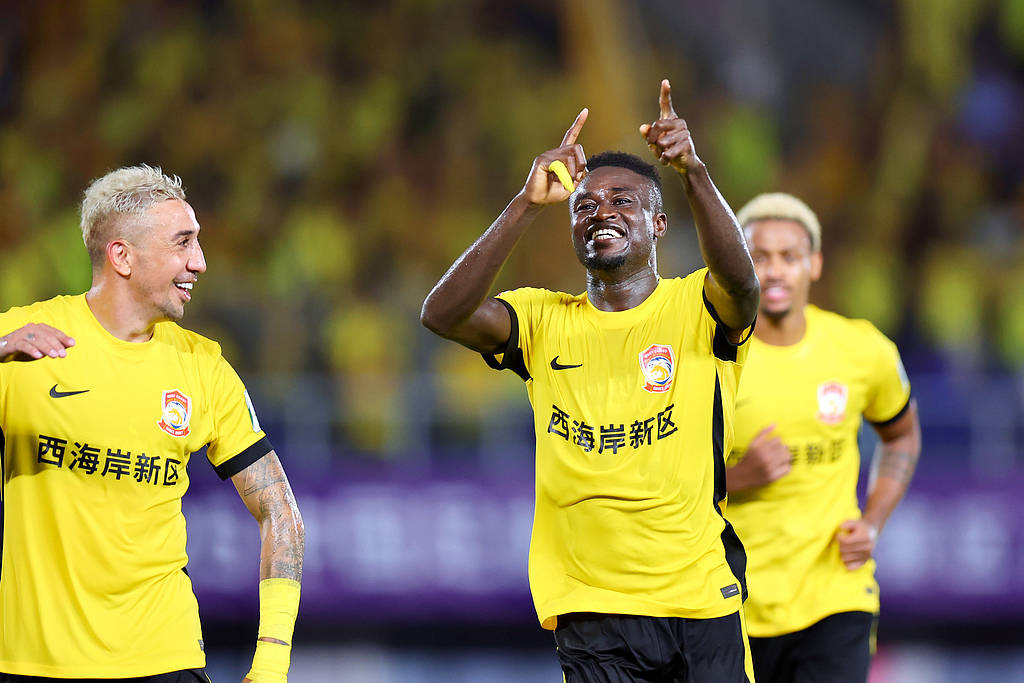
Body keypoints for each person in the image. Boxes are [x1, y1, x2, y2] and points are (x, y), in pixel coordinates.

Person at [422, 80, 759, 682]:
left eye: (623, 201)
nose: (601, 211)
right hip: (592, 609)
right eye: (584, 206)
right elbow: (442, 314)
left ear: (659, 224)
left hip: (701, 598)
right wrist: (526, 204)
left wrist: (693, 172)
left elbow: (742, 285)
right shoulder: (541, 319)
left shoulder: (696, 306)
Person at [0, 165, 304, 683]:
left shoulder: (204, 367)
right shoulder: (22, 342)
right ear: (122, 256)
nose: (200, 262)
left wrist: (273, 662)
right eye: (182, 242)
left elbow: (281, 512)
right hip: (34, 662)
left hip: (165, 659)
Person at [724, 192, 922, 683]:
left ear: (813, 264)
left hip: (835, 596)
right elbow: (661, 469)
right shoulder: (709, 358)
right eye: (759, 257)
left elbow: (902, 436)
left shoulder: (861, 349)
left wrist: (873, 522)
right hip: (730, 601)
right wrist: (736, 477)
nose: (774, 271)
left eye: (789, 257)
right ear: (738, 265)